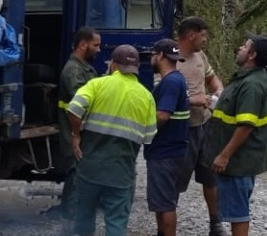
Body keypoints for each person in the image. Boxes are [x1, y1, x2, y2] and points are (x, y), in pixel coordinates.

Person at [66, 45, 157, 236]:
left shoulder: (97, 84)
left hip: (89, 169)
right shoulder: (147, 97)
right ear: (136, 69)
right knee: (116, 223)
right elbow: (148, 137)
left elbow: (74, 109)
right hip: (121, 173)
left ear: (114, 65)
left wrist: (76, 135)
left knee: (83, 218)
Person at [206, 33, 267, 236]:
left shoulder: (252, 85)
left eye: (245, 46)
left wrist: (224, 155)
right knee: (235, 209)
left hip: (239, 161)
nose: (240, 48)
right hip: (238, 159)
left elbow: (246, 125)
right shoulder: (246, 78)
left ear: (252, 55)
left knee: (238, 212)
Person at [175, 16, 227, 236]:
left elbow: (212, 79)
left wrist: (219, 91)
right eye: (203, 35)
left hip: (204, 125)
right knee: (175, 179)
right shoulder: (169, 57)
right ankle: (167, 225)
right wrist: (191, 99)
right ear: (191, 35)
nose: (205, 40)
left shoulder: (200, 57)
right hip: (180, 128)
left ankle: (215, 222)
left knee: (210, 176)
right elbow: (159, 93)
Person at [56, 26, 100, 231]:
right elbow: (80, 104)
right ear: (83, 44)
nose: (99, 49)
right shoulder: (73, 71)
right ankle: (71, 225)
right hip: (73, 134)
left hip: (80, 133)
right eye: (95, 45)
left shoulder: (84, 68)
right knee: (75, 178)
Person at [145, 39, 190, 236]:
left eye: (153, 55)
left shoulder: (171, 82)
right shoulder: (176, 79)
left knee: (165, 203)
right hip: (170, 150)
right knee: (162, 201)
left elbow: (163, 114)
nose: (151, 59)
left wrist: (141, 130)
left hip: (166, 152)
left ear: (160, 56)